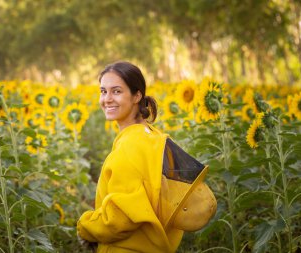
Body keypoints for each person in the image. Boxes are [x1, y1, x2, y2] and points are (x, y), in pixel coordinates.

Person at [77, 61, 216, 253]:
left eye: (116, 91)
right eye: (103, 91)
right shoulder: (153, 136)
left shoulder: (129, 146)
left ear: (137, 96)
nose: (107, 99)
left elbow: (120, 218)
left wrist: (85, 227)